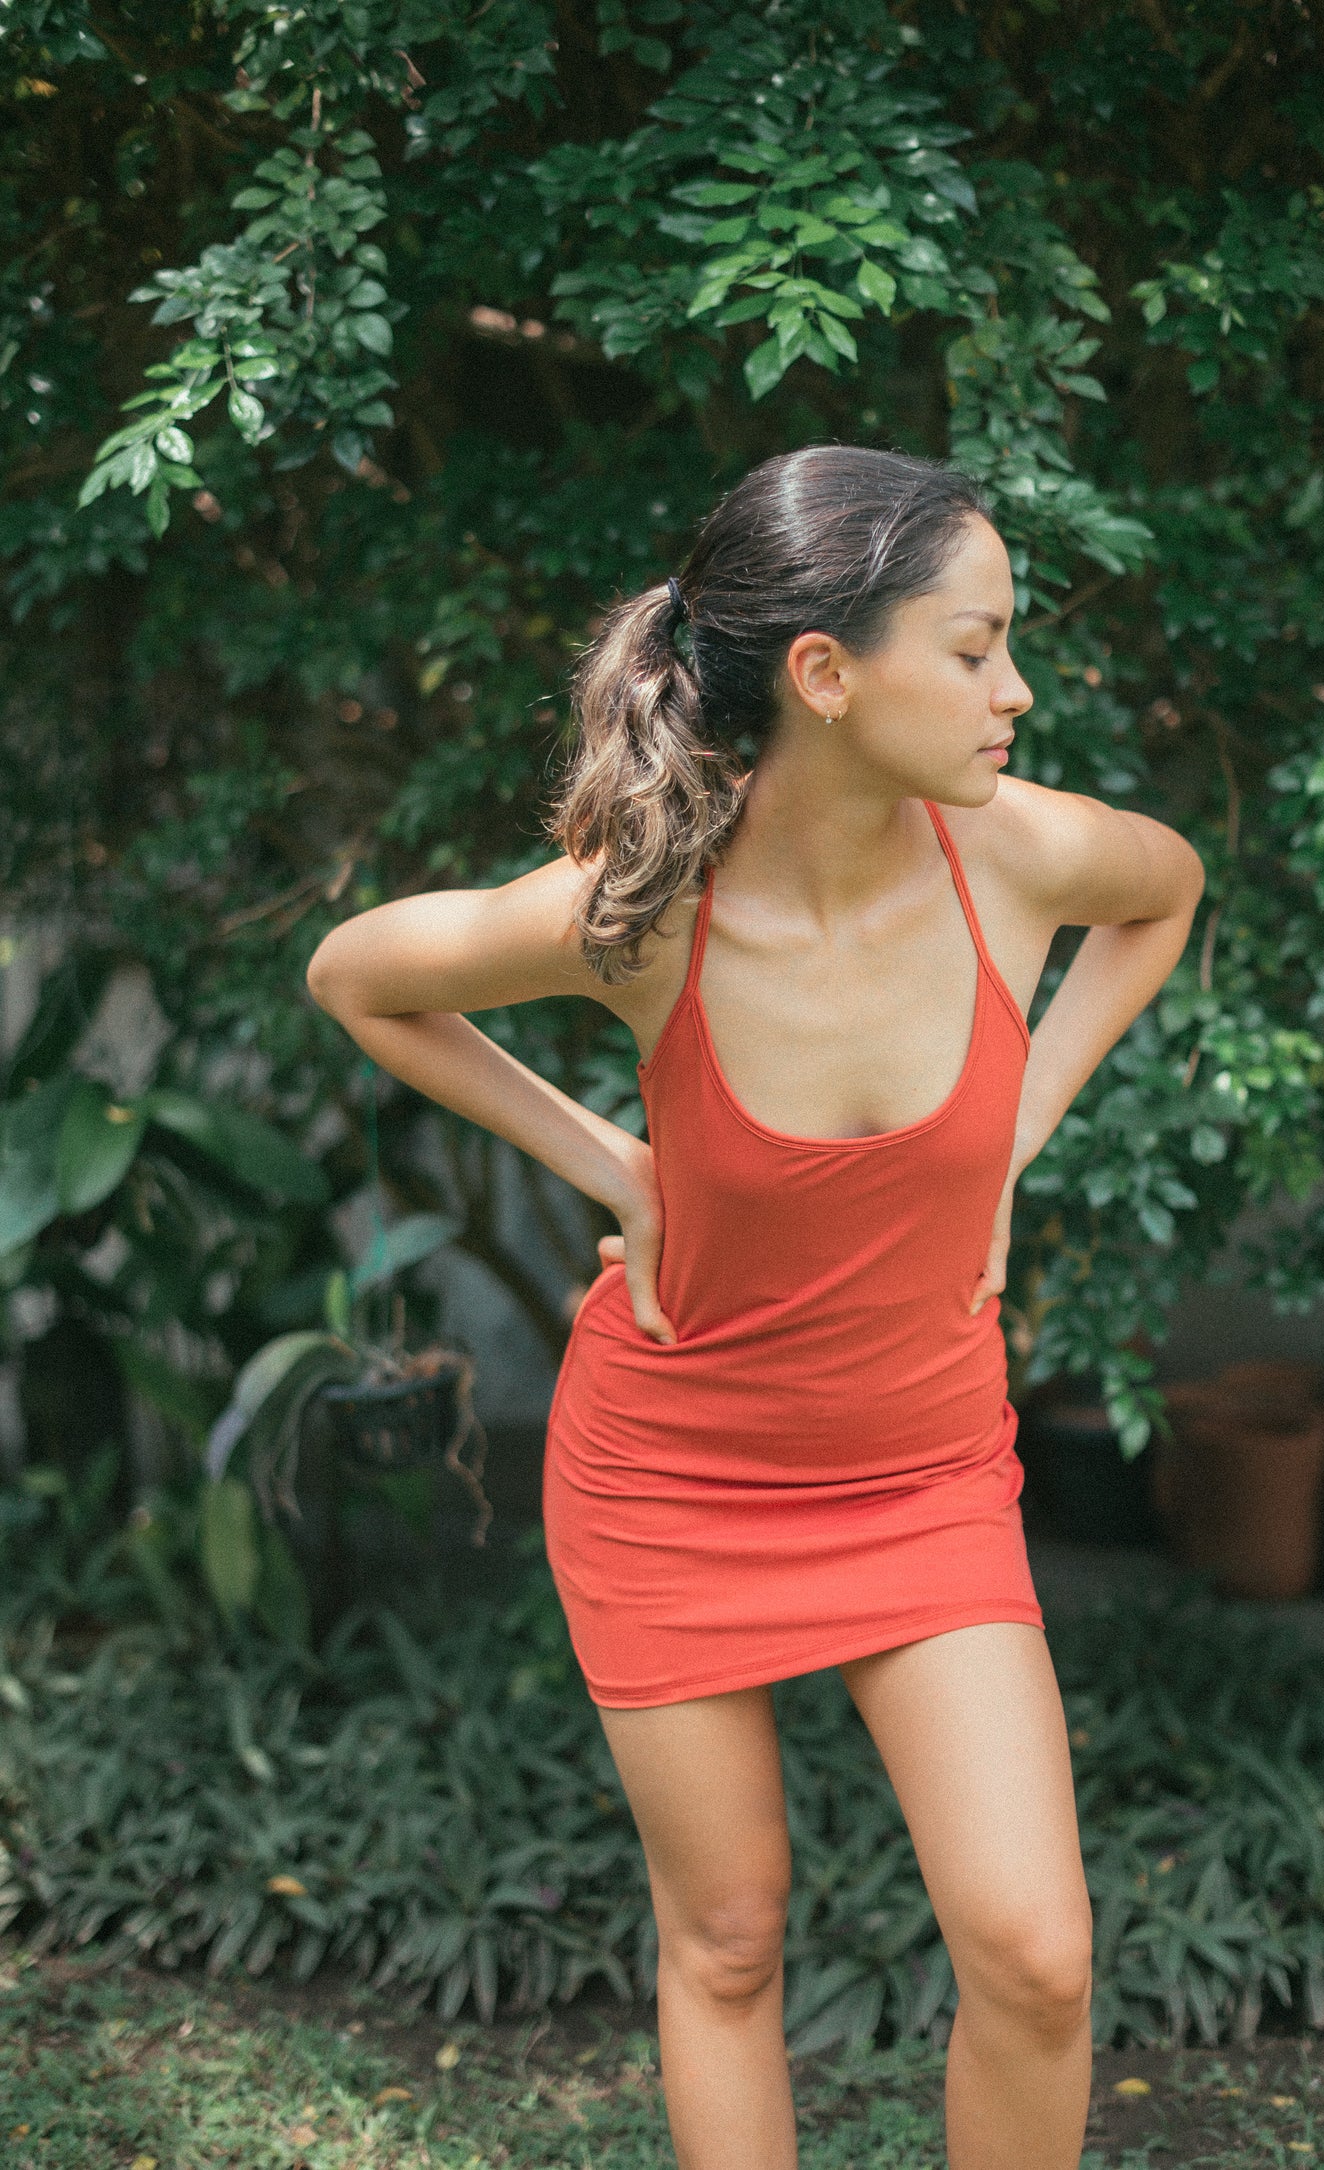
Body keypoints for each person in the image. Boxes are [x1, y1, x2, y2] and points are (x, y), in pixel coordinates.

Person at [306, 445, 1205, 2170]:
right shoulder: (651, 911)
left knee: (1034, 1957)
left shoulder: (1018, 856)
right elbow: (358, 975)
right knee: (725, 1939)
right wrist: (613, 1163)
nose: (1014, 689)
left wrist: (1011, 1131)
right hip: (672, 1476)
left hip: (923, 1471)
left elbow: (1162, 896)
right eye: (974, 647)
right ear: (823, 673)